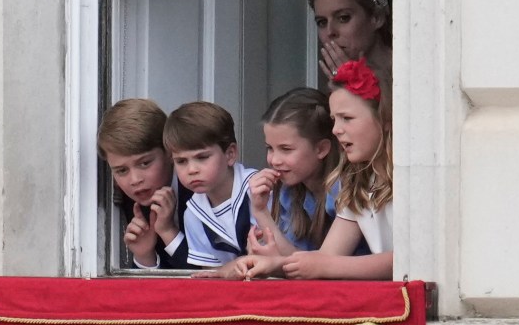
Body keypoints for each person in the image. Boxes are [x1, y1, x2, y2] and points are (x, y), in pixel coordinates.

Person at [238, 57, 393, 280]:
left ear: (385, 118)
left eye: (347, 118)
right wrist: (269, 261)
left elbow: (410, 259)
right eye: (334, 120)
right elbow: (323, 259)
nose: (337, 129)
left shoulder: (408, 180)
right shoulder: (358, 183)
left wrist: (280, 263)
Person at [163, 101, 258, 268]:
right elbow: (211, 274)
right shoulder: (192, 214)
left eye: (202, 157)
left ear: (230, 154)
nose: (191, 169)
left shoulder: (258, 188)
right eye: (181, 161)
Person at [97, 98, 191, 269]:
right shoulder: (131, 202)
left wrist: (168, 231)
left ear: (170, 153)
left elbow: (210, 276)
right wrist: (144, 256)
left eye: (145, 163)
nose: (135, 180)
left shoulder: (201, 189)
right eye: (121, 170)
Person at [247, 87, 339, 255]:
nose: (274, 160)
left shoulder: (341, 189)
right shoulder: (289, 192)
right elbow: (292, 256)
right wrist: (260, 211)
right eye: (270, 148)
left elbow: (308, 266)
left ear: (321, 149)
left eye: (286, 149)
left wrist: (262, 214)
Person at [309, 0, 391, 83]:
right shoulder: (333, 82)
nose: (330, 32)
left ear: (376, 18)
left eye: (343, 18)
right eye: (322, 22)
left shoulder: (411, 70)